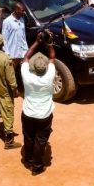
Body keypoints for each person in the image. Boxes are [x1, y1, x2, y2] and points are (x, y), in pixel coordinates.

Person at [20, 31, 56, 175]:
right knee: (40, 140)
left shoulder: (27, 75)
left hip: (28, 113)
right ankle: (37, 166)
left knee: (28, 138)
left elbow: (26, 57)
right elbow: (52, 58)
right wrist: (49, 44)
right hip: (44, 115)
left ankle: (28, 160)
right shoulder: (49, 76)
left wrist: (36, 42)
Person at [2, 3, 28, 73]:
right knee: (11, 73)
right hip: (12, 55)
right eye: (22, 11)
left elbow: (23, 36)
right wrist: (7, 55)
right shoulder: (7, 22)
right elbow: (4, 39)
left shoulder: (22, 20)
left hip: (21, 53)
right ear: (16, 10)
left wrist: (26, 51)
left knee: (21, 73)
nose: (24, 12)